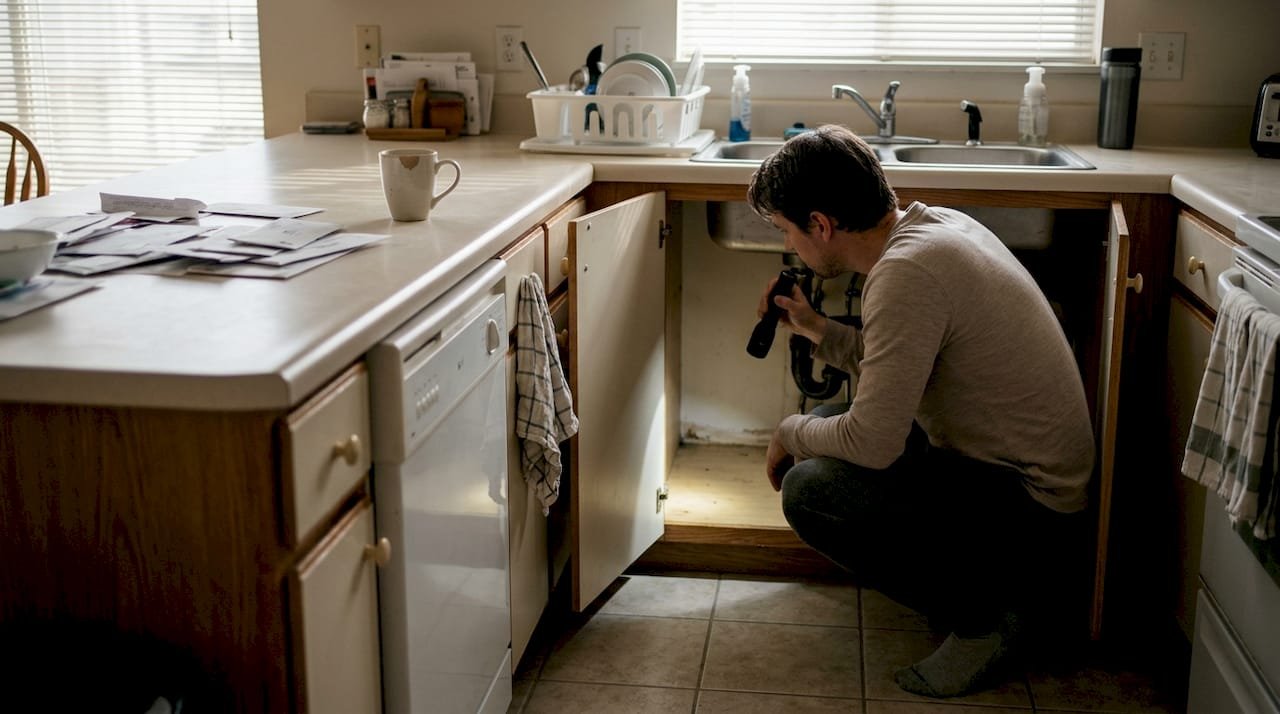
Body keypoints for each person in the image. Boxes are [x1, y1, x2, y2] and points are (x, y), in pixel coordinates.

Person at [747, 124, 1095, 698]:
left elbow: (874, 441)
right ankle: (989, 590)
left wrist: (789, 431)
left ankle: (989, 620)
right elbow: (900, 362)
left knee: (812, 488)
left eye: (788, 230)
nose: (791, 247)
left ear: (822, 225)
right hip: (1027, 486)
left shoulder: (907, 273)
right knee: (836, 420)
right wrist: (812, 326)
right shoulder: (932, 229)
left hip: (1033, 516)